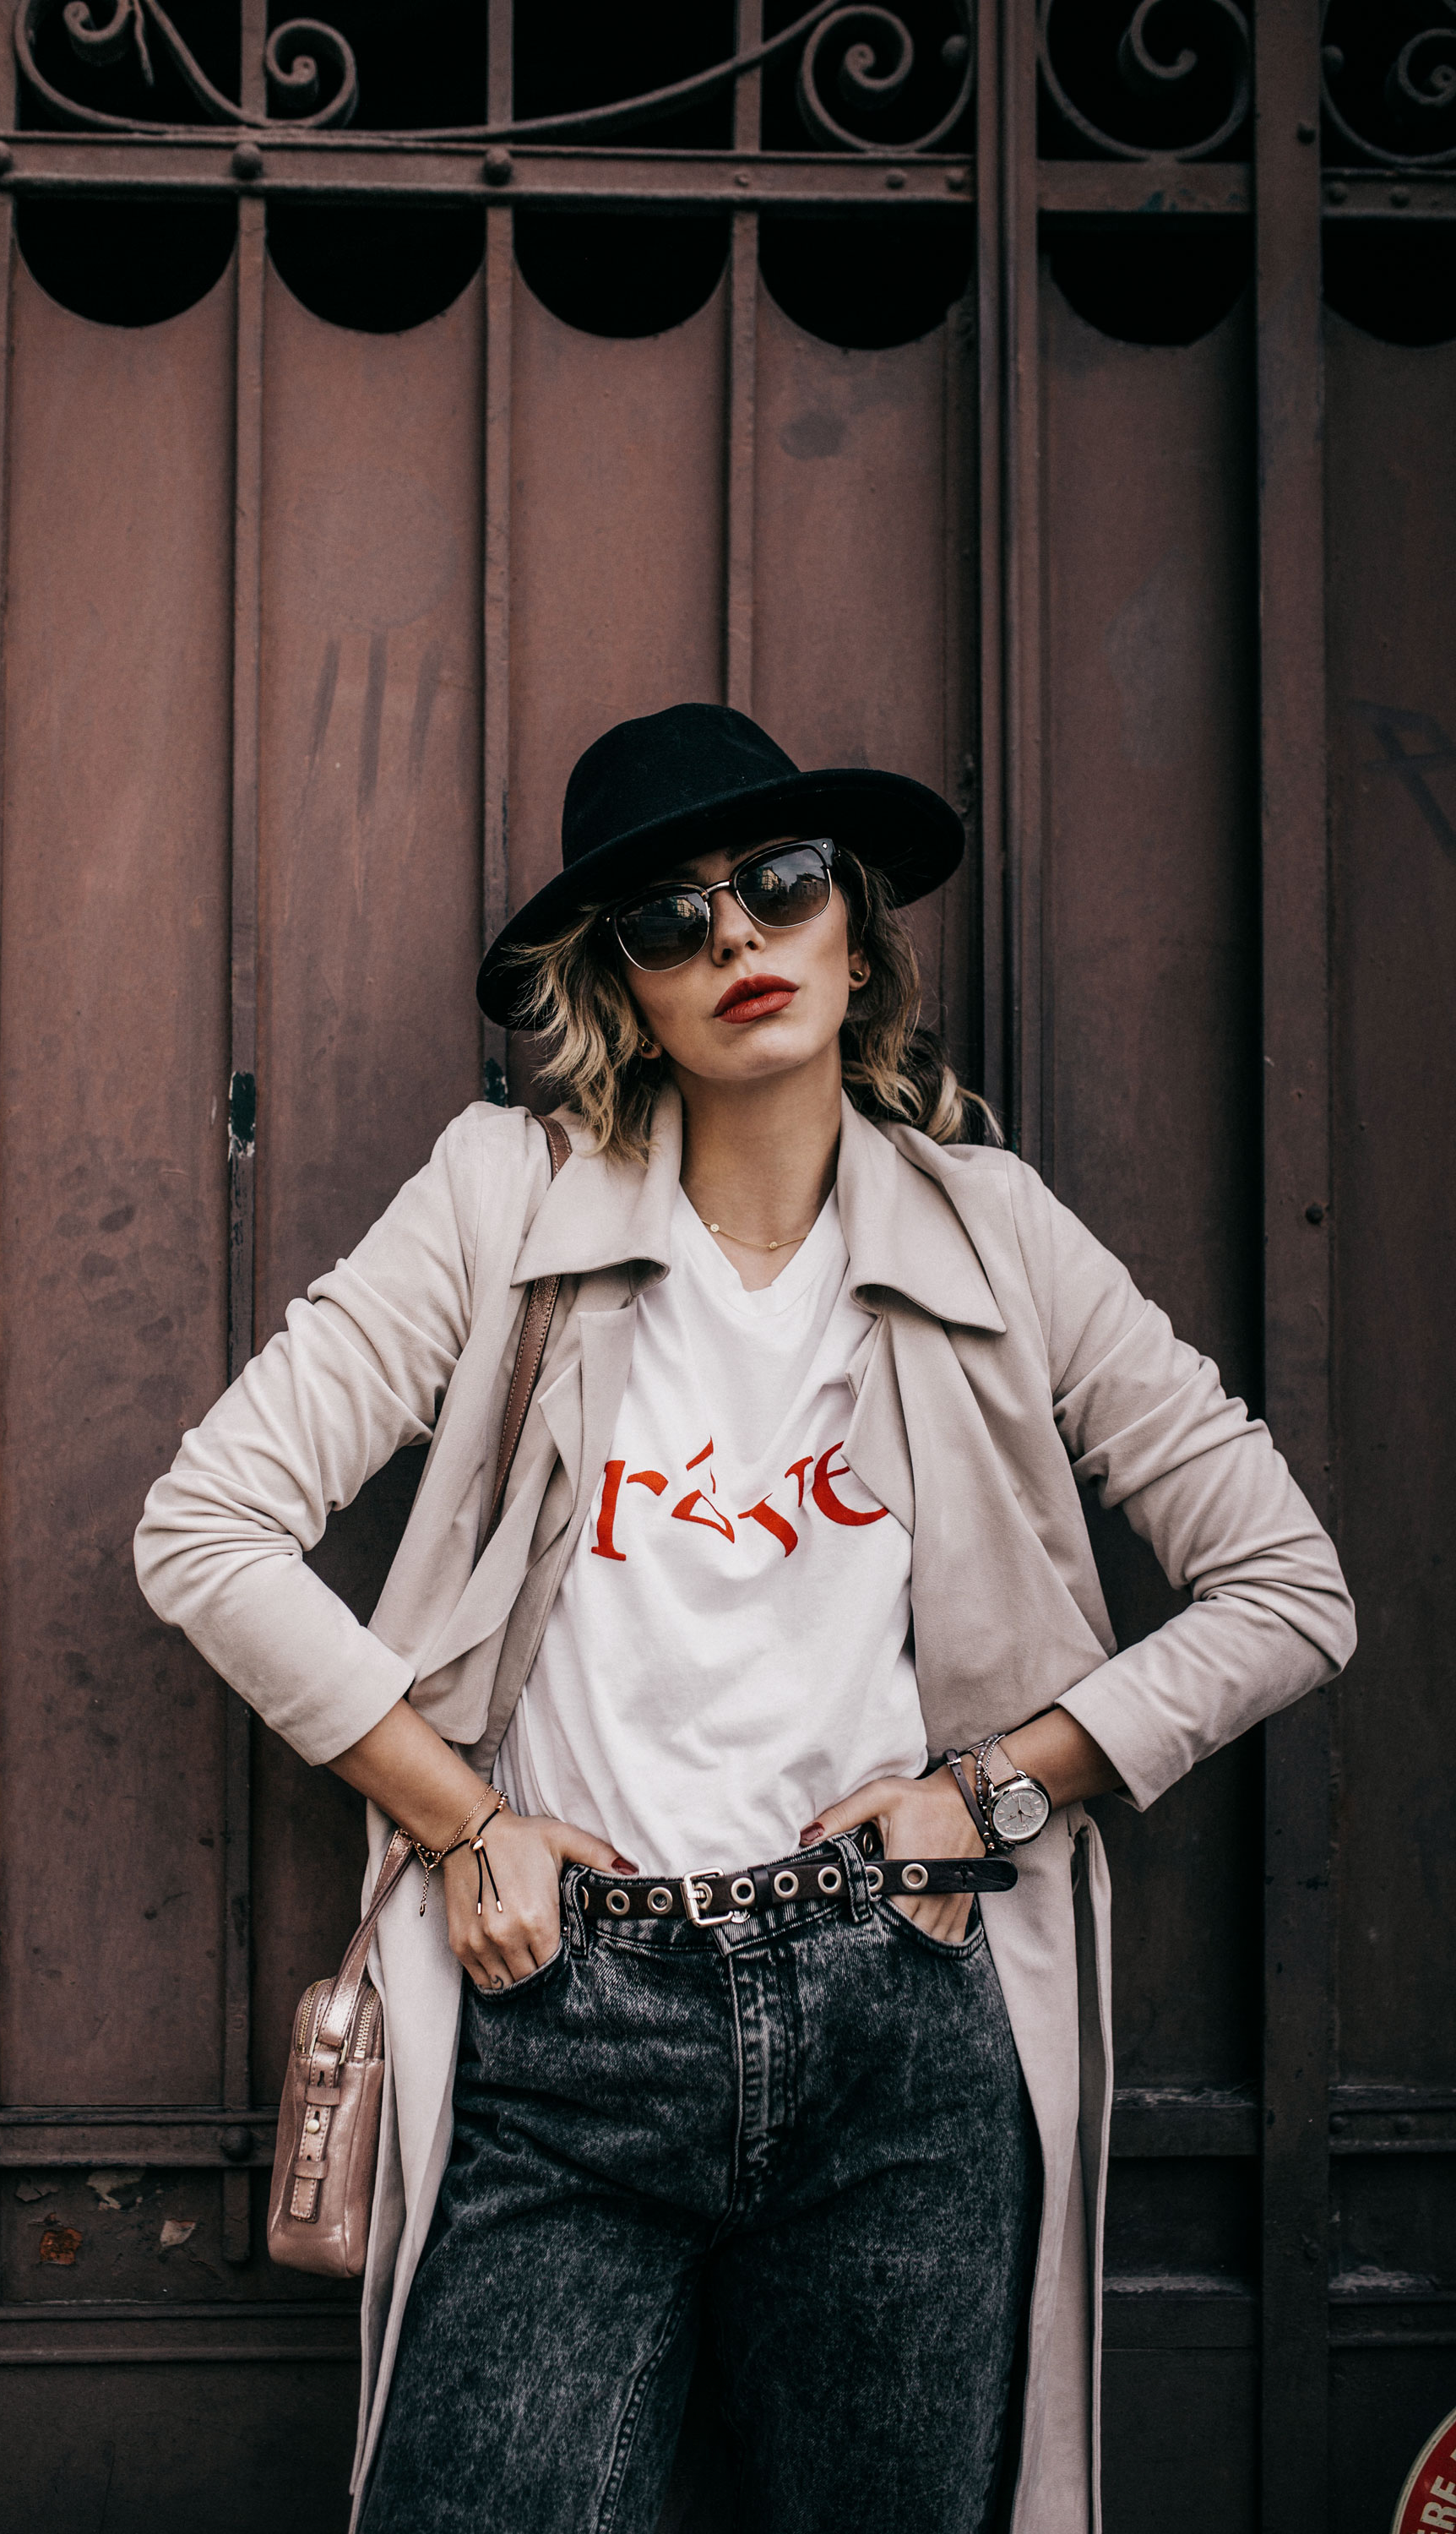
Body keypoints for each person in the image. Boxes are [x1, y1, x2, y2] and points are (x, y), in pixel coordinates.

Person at [135, 702, 1354, 2534]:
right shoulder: (502, 1201)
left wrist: (995, 1790)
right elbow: (205, 1527)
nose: (733, 938)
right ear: (622, 991)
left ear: (853, 933)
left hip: (901, 2022)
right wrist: (459, 1819)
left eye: (779, 884)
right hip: (565, 2015)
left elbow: (1288, 1589)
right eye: (667, 917)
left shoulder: (997, 1233)